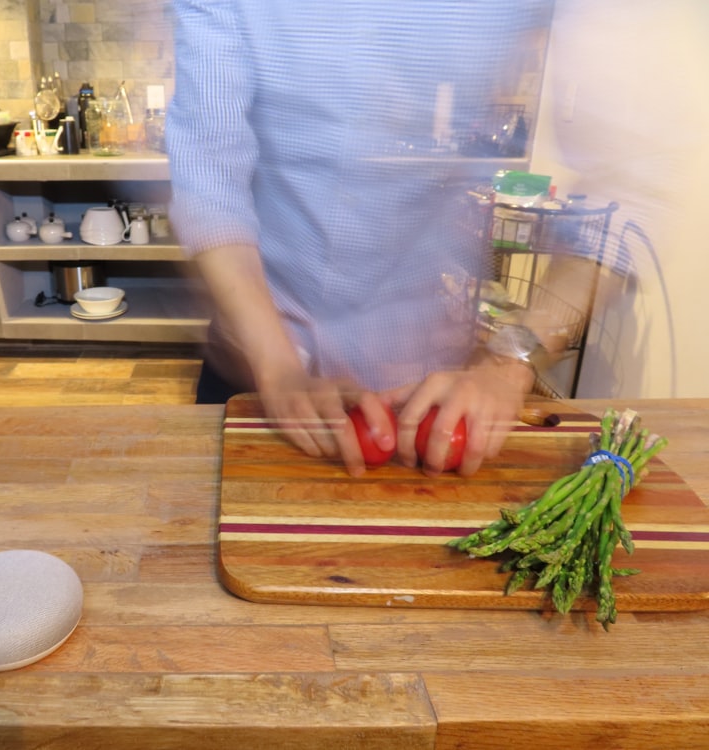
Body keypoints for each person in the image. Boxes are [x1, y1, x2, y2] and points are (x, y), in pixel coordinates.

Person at [167, 0, 556, 477]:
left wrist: (509, 363)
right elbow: (208, 178)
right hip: (260, 370)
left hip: (432, 394)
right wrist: (278, 364)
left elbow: (635, 188)